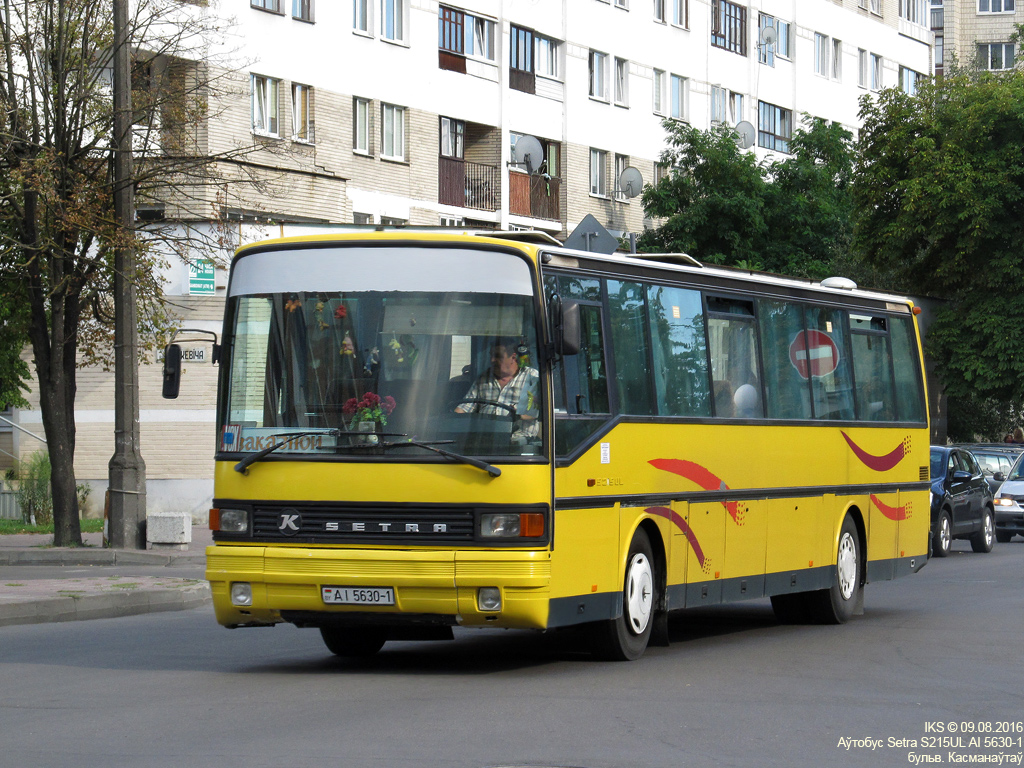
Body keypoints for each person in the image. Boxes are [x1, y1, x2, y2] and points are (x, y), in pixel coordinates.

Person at [455, 339, 539, 440]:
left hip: (518, 441)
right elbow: (464, 408)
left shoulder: (531, 377)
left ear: (513, 357)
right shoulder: (484, 379)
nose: (492, 360)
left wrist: (517, 413)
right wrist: (451, 420)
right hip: (483, 439)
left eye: (498, 356)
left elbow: (536, 412)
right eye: (491, 355)